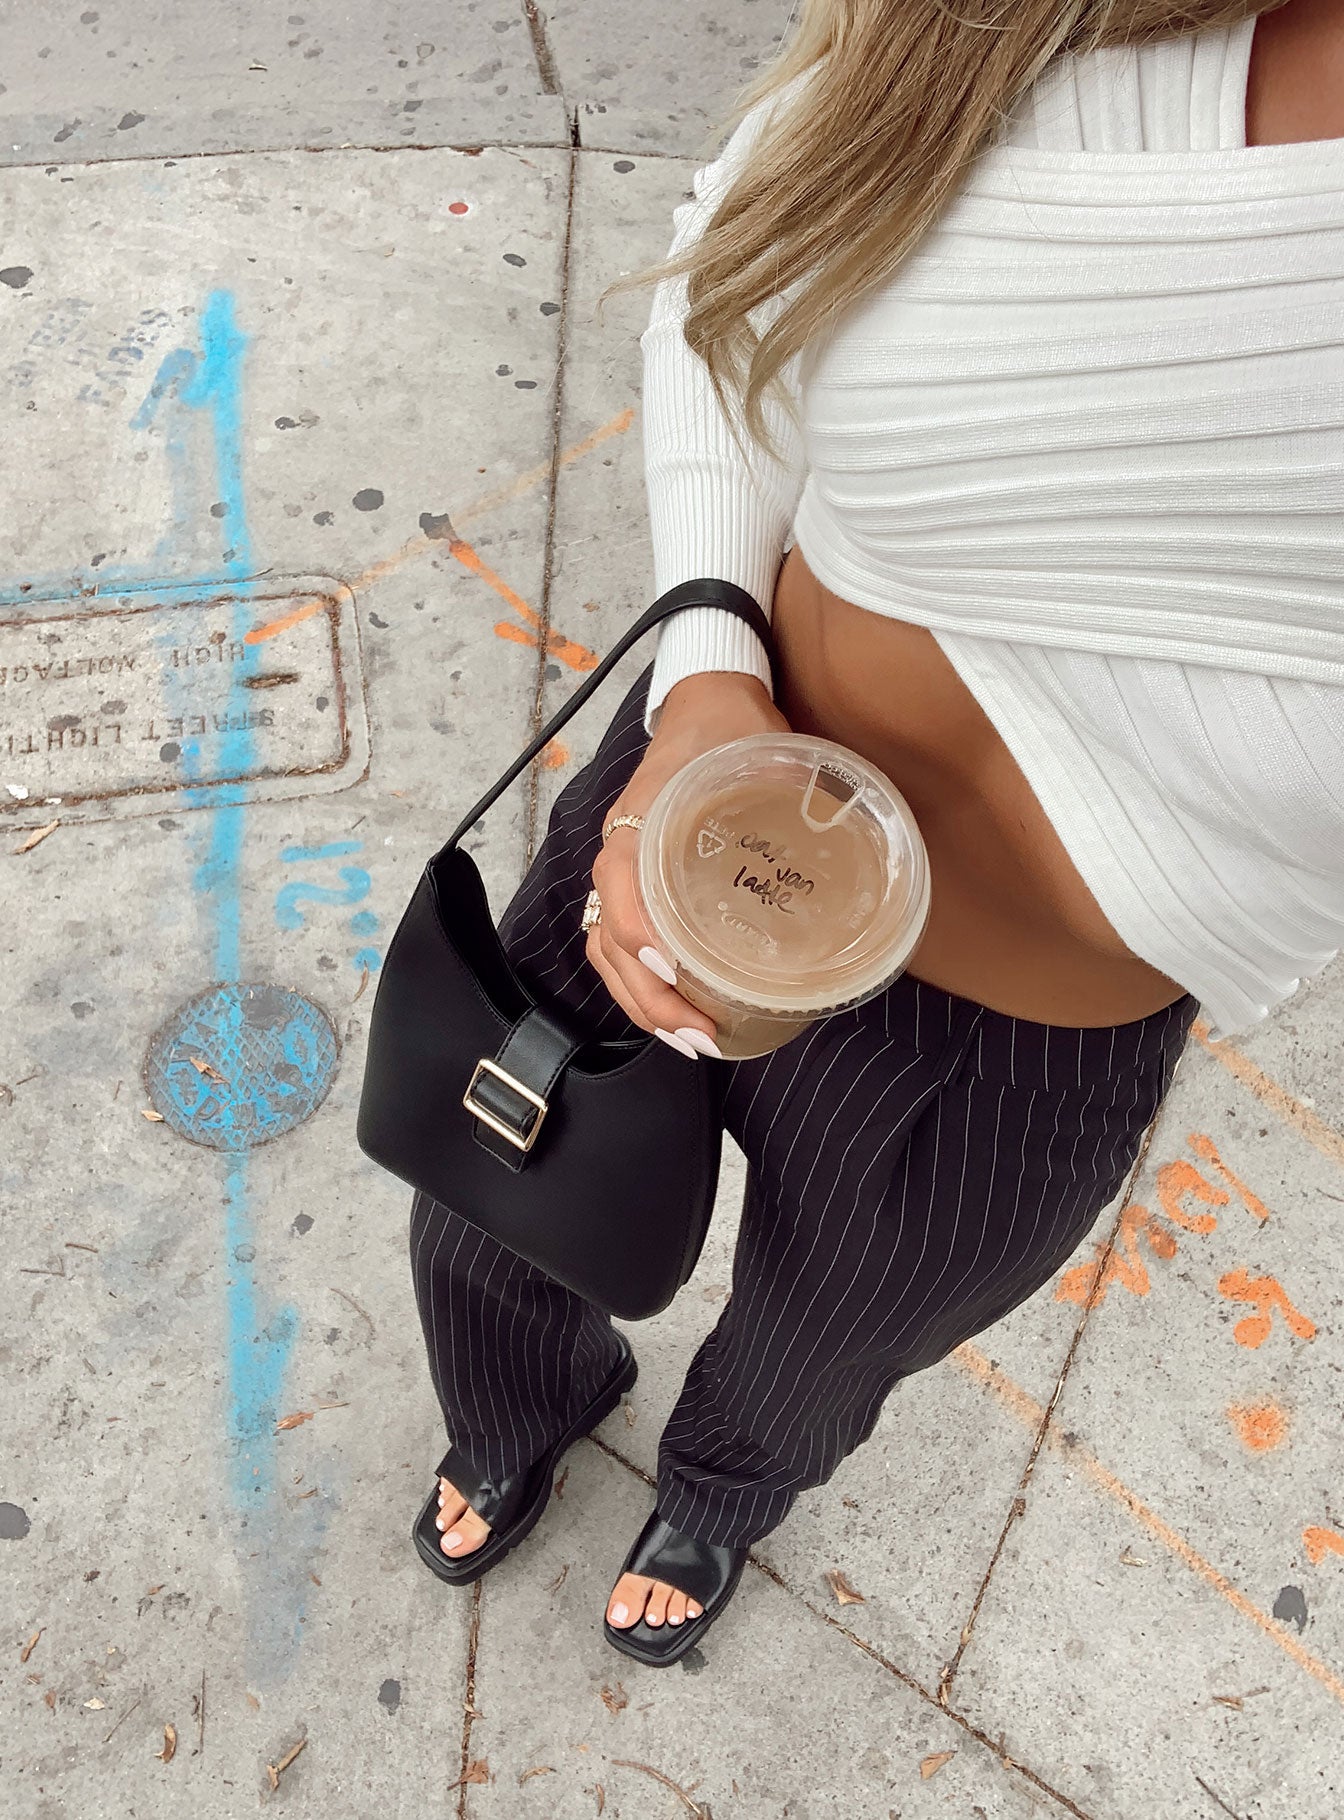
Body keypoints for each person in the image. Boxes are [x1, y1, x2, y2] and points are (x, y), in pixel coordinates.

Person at [410, 0, 1344, 1666]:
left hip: (1017, 1040)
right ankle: (509, 1410)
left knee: (822, 1347)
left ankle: (719, 1492)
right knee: (492, 1205)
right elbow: (750, 262)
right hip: (710, 805)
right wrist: (706, 666)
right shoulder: (1061, 27)